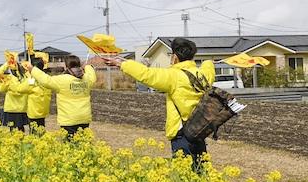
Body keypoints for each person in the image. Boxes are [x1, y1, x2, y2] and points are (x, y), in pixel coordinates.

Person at [104, 37, 216, 170]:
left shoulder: (174, 76)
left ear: (174, 56)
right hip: (199, 130)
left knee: (185, 173)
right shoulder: (202, 75)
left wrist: (121, 64)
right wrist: (209, 61)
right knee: (201, 171)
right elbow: (208, 68)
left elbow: (147, 74)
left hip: (182, 132)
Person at [25, 55, 96, 140]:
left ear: (66, 66)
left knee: (70, 144)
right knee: (83, 142)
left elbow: (46, 80)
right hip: (84, 117)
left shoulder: (62, 80)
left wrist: (32, 69)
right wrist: (88, 67)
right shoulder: (87, 79)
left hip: (69, 119)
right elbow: (92, 76)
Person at [15, 57, 52, 134]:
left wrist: (28, 75)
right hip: (43, 110)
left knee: (34, 132)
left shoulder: (32, 80)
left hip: (34, 112)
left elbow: (19, 89)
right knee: (41, 129)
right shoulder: (47, 78)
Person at [0, 63, 29, 132]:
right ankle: (22, 141)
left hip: (11, 107)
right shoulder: (25, 77)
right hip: (22, 107)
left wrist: (7, 64)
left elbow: (1, 89)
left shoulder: (8, 78)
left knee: (12, 127)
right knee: (21, 127)